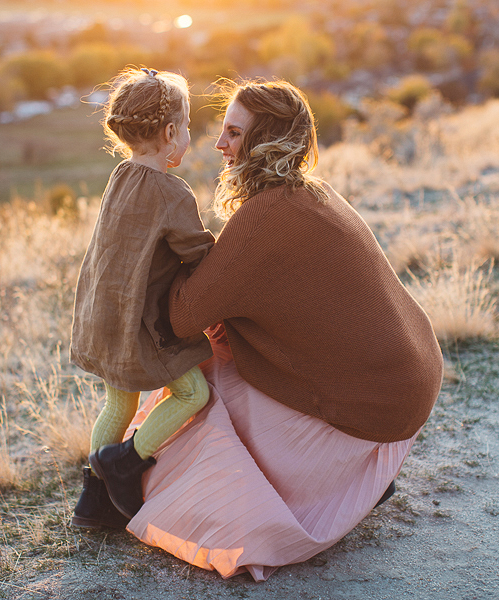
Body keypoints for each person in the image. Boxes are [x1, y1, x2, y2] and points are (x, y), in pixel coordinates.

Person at [112, 79, 443, 581]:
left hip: (380, 404)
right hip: (411, 384)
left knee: (208, 386)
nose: (220, 144)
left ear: (265, 141)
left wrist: (167, 254)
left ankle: (120, 475)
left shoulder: (264, 217)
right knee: (224, 351)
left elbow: (182, 316)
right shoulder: (314, 192)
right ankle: (353, 480)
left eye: (234, 133)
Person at [68, 67, 215, 527]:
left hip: (104, 316)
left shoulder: (120, 175)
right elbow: (198, 253)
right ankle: (127, 462)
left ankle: (94, 499)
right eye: (187, 127)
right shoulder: (173, 193)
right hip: (139, 325)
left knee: (119, 403)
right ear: (171, 132)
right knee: (193, 393)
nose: (188, 135)